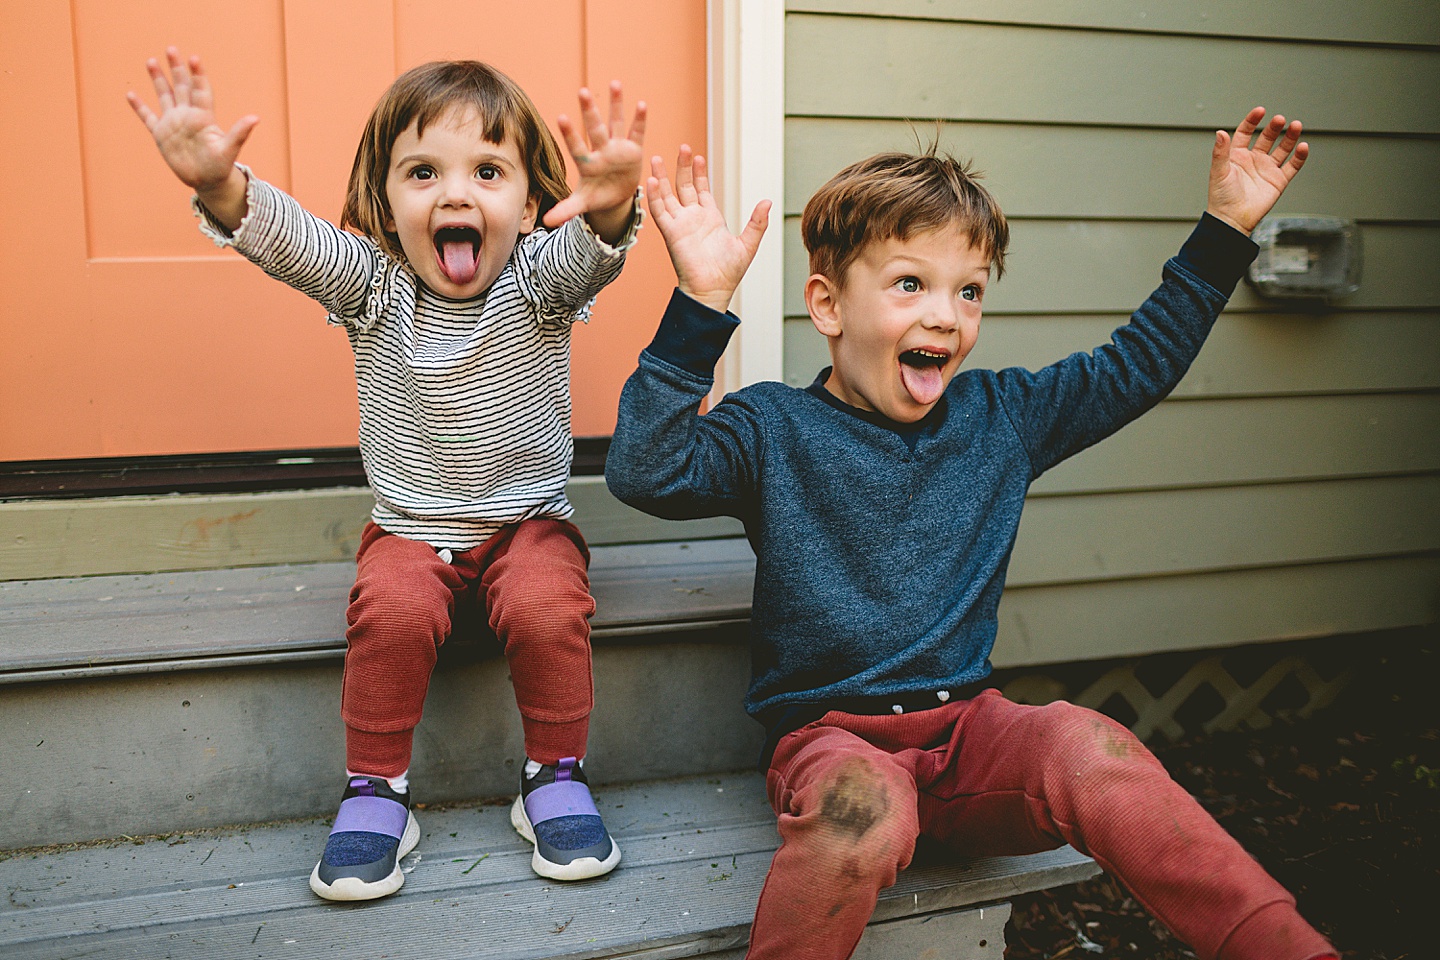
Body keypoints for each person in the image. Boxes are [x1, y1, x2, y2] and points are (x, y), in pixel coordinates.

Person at [605, 110, 1339, 959]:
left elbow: (1137, 363)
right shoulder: (775, 428)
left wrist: (1226, 229)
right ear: (827, 305)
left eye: (971, 289)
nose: (947, 316)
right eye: (910, 285)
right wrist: (701, 302)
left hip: (970, 741)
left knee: (1091, 744)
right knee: (861, 816)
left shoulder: (1004, 418)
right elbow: (645, 471)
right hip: (834, 743)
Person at [128, 48, 645, 900]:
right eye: (421, 172)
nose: (454, 195)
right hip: (412, 529)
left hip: (529, 524)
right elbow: (291, 242)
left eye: (488, 171)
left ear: (529, 201)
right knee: (394, 610)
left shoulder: (538, 283)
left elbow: (593, 250)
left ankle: (554, 773)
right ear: (383, 198)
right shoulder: (371, 285)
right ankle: (377, 790)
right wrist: (224, 189)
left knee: (548, 605)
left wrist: (615, 199)